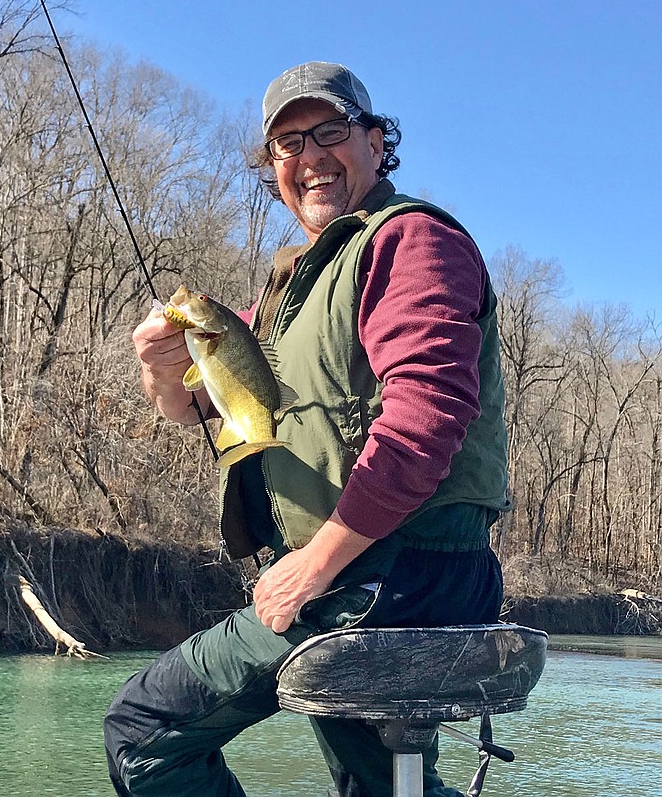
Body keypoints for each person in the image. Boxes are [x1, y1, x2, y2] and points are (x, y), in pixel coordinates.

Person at [105, 61, 510, 797]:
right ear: (274, 169)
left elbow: (426, 418)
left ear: (378, 140)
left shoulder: (411, 241)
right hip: (367, 575)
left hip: (388, 575)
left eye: (330, 130)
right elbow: (194, 407)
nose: (310, 156)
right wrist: (163, 366)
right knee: (382, 791)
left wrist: (312, 566)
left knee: (146, 734)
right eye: (287, 144)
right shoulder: (297, 286)